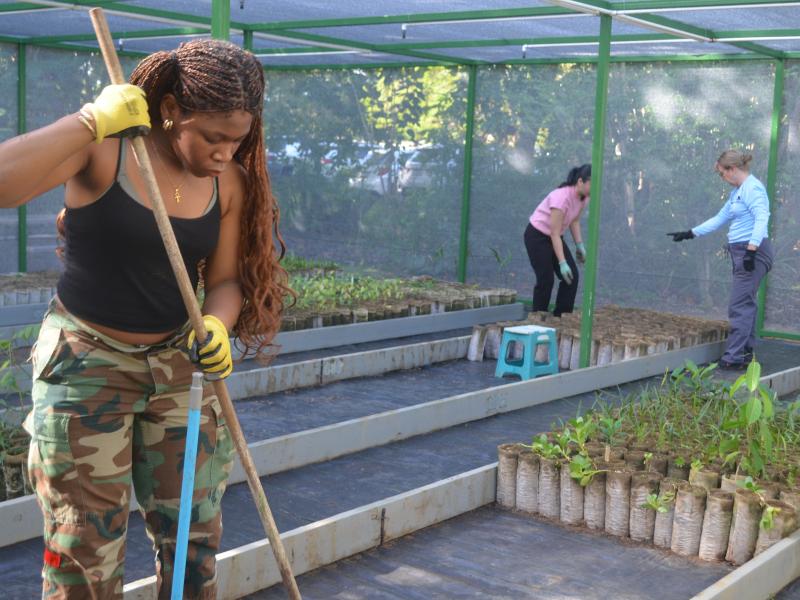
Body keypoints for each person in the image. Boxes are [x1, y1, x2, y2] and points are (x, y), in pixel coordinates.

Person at [0, 40, 290, 599]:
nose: (226, 151)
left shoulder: (226, 183)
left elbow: (226, 280)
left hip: (180, 370)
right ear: (173, 110)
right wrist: (86, 121)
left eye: (239, 138)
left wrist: (218, 326)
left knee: (194, 538)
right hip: (86, 368)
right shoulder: (106, 151)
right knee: (83, 549)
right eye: (213, 136)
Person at [667, 149, 774, 370]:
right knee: (746, 303)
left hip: (751, 251)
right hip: (743, 251)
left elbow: (762, 217)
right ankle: (744, 353)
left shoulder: (753, 188)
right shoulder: (738, 192)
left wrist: (752, 250)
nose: (721, 178)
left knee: (739, 305)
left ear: (732, 169)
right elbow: (720, 218)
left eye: (722, 173)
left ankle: (733, 357)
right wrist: (690, 232)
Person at [524, 164, 591, 316]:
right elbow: (554, 233)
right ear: (580, 181)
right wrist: (562, 263)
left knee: (571, 277)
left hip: (554, 237)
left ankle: (561, 318)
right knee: (546, 279)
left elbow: (574, 221)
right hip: (537, 236)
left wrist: (580, 245)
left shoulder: (584, 198)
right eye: (592, 182)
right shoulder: (561, 198)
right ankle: (538, 319)